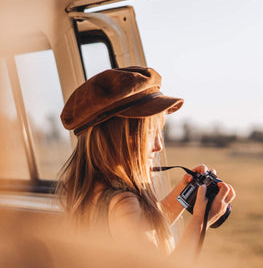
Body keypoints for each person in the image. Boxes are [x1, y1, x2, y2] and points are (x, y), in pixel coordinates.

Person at [57, 66, 235, 257]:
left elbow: (142, 229)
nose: (159, 146)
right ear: (119, 138)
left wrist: (182, 195)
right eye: (150, 133)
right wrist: (201, 221)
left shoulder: (91, 190)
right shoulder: (123, 204)